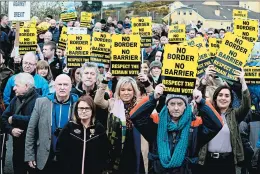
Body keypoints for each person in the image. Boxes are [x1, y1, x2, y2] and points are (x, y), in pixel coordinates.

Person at [129, 84, 223, 174]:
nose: (176, 108)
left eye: (180, 104)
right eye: (172, 103)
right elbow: (135, 116)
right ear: (167, 105)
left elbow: (216, 125)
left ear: (186, 105)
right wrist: (153, 98)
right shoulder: (156, 121)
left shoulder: (195, 123)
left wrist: (202, 102)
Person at [94, 73, 153, 174]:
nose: (126, 93)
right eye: (123, 90)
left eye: (129, 90)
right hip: (117, 150)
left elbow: (154, 99)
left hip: (136, 148)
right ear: (118, 91)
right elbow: (98, 101)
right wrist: (105, 81)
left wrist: (147, 83)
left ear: (134, 91)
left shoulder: (140, 104)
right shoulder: (113, 103)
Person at [199, 69, 251, 174]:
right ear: (215, 98)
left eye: (227, 96)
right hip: (208, 161)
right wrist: (204, 80)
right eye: (220, 95)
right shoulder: (207, 114)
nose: (223, 98)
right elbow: (198, 98)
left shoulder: (234, 115)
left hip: (228, 163)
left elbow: (246, 105)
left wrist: (243, 81)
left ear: (231, 100)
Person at [25, 74, 78, 174]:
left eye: (66, 85)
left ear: (71, 87)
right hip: (45, 156)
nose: (62, 87)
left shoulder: (78, 104)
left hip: (69, 157)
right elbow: (31, 130)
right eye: (59, 84)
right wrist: (29, 155)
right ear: (54, 86)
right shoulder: (41, 102)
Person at [57, 96, 109, 174]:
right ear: (76, 110)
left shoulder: (99, 128)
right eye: (81, 108)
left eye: (87, 108)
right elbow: (60, 151)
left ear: (92, 110)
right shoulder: (69, 128)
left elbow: (104, 152)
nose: (83, 111)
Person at [2, 73, 39, 174]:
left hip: (33, 149)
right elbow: (3, 118)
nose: (14, 88)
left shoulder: (39, 101)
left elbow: (34, 120)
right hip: (17, 147)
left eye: (17, 85)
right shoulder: (15, 99)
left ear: (26, 86)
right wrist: (11, 130)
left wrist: (14, 118)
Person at [71, 62, 110, 128]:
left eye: (92, 74)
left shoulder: (104, 95)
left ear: (96, 78)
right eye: (86, 73)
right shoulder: (73, 93)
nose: (89, 76)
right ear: (81, 76)